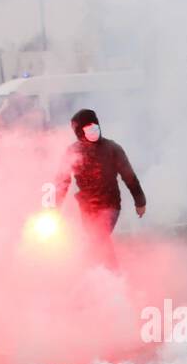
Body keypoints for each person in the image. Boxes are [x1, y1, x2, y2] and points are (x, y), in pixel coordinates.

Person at [53, 109, 146, 268]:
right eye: (86, 127)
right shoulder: (73, 151)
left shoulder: (112, 148)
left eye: (94, 125)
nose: (92, 129)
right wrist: (53, 207)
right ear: (78, 132)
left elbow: (129, 176)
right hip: (87, 207)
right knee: (95, 242)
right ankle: (97, 276)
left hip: (110, 205)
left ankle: (112, 277)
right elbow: (62, 180)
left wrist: (140, 201)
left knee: (99, 237)